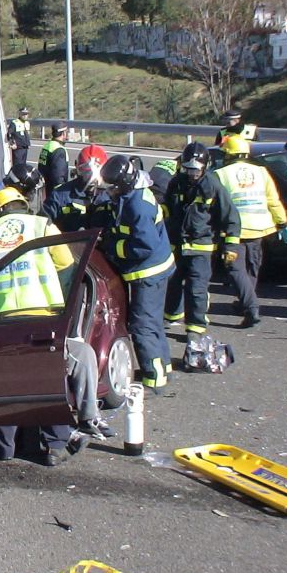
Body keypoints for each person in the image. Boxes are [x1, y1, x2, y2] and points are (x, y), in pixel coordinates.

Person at [0, 186, 107, 465]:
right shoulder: (42, 225)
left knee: (6, 384)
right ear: (22, 204)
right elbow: (66, 261)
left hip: (2, 316)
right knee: (47, 378)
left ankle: (4, 449)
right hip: (42, 312)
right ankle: (55, 446)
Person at [99, 155, 174, 394]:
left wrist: (113, 248)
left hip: (148, 272)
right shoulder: (132, 195)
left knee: (142, 325)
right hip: (154, 270)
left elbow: (144, 246)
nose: (109, 191)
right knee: (152, 323)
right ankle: (162, 366)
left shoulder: (137, 206)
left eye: (112, 187)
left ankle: (154, 380)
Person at [163, 143, 242, 339]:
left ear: (205, 166)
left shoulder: (213, 186)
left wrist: (230, 246)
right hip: (177, 245)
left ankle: (195, 327)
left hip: (201, 247)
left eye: (195, 170)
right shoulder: (176, 183)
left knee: (196, 289)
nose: (192, 174)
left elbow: (230, 217)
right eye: (188, 169)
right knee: (172, 283)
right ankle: (171, 315)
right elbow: (168, 208)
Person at [214, 135, 287, 328]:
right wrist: (282, 223)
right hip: (259, 228)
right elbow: (273, 200)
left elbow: (215, 206)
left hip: (234, 231)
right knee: (251, 267)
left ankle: (251, 307)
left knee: (235, 269)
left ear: (228, 154)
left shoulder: (221, 174)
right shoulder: (261, 172)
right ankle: (244, 302)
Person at [40, 144, 110, 233]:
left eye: (95, 172)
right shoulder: (60, 195)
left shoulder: (112, 196)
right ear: (76, 166)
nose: (90, 178)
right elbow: (41, 223)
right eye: (85, 171)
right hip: (67, 245)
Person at [38, 122, 69, 193]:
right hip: (54, 192)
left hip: (46, 188)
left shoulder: (47, 145)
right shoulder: (59, 150)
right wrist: (61, 192)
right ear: (63, 133)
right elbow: (58, 176)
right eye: (66, 132)